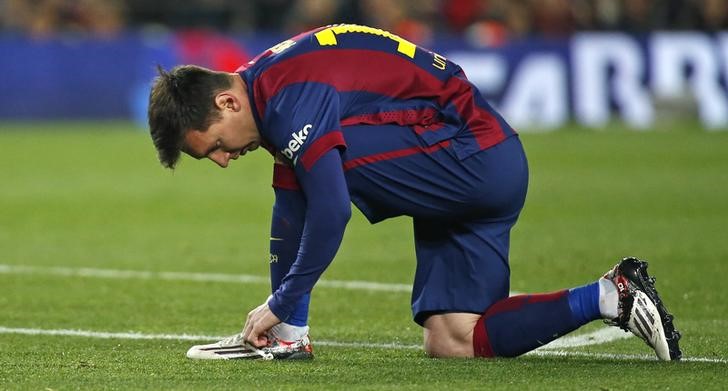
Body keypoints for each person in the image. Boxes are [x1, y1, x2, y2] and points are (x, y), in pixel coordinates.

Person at [147, 24, 681, 361]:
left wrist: (281, 303)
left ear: (227, 104)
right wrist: (284, 316)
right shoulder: (272, 94)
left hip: (470, 157)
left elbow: (328, 209)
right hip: (466, 169)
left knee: (320, 166)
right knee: (454, 341)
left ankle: (289, 330)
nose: (221, 161)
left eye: (213, 146)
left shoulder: (286, 94)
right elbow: (291, 202)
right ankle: (614, 295)